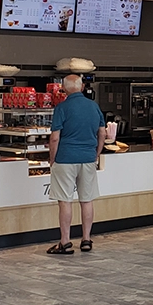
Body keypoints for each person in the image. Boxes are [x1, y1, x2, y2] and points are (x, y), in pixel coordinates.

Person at [46, 74, 104, 254]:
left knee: (65, 201)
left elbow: (55, 138)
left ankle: (65, 242)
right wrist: (97, 153)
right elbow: (102, 133)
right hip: (87, 158)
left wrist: (52, 158)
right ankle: (86, 239)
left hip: (65, 159)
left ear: (63, 89)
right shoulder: (94, 106)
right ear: (81, 87)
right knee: (86, 200)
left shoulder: (62, 108)